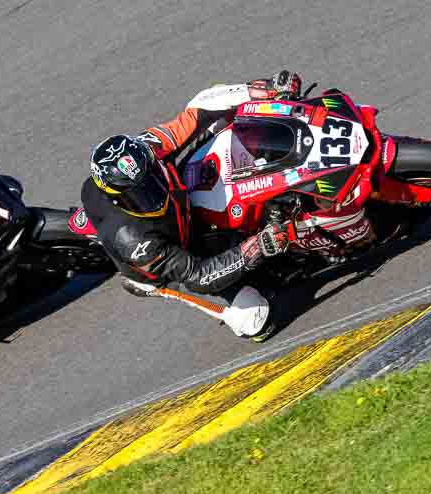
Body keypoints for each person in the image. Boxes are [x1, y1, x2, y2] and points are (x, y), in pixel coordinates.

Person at [81, 71, 305, 341]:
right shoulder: (134, 241)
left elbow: (200, 106)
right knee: (254, 319)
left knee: (228, 118)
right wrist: (255, 248)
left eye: (150, 179)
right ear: (118, 198)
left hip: (182, 208)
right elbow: (199, 274)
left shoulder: (149, 148)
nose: (151, 192)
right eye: (138, 194)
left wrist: (264, 90)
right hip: (176, 257)